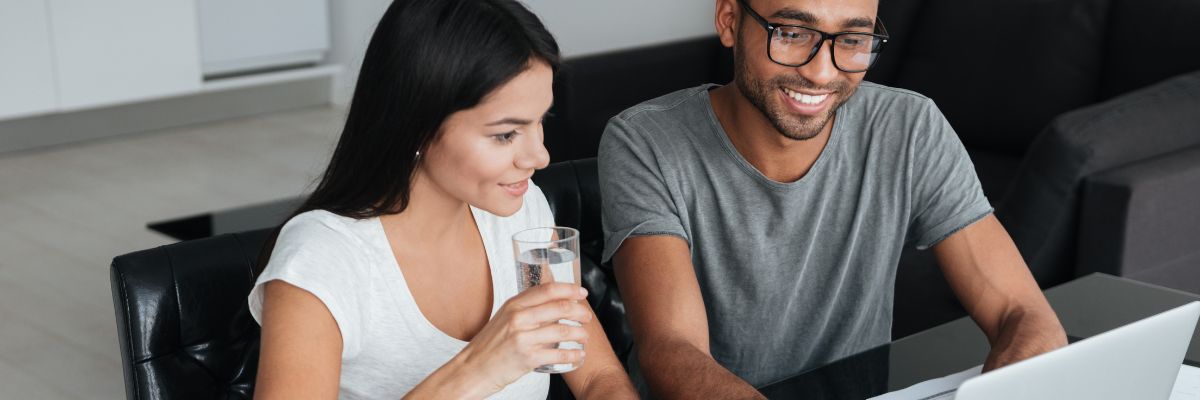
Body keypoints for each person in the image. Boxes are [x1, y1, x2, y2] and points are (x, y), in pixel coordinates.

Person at [598, 0, 1069, 397]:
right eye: (791, 33)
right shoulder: (644, 141)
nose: (821, 72)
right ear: (729, 21)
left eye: (852, 41)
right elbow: (673, 349)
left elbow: (1023, 315)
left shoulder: (909, 128)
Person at [248, 1, 637, 398]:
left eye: (541, 121)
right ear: (417, 126)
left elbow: (596, 379)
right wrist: (478, 367)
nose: (539, 156)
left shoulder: (520, 214)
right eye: (506, 134)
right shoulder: (323, 260)